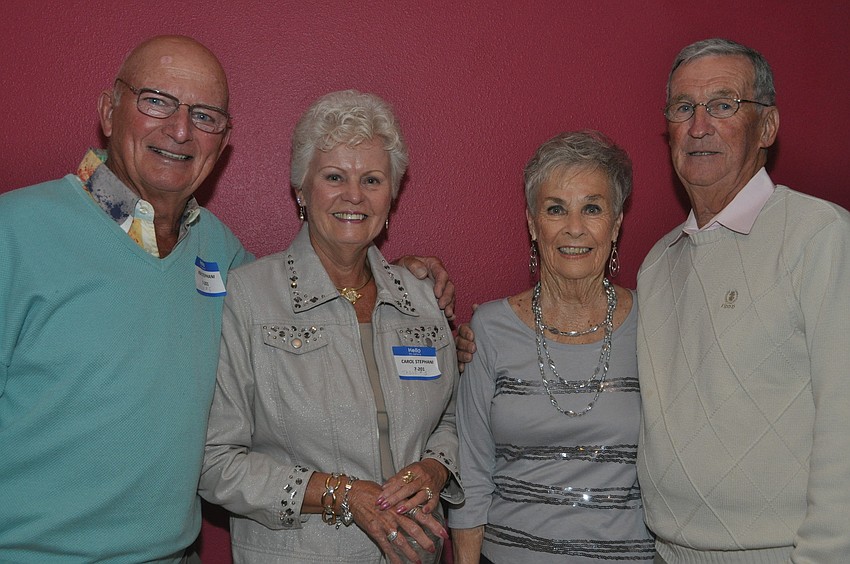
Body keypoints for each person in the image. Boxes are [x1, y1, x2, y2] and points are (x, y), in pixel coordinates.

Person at [0, 38, 454, 562]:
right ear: (108, 110)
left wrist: (413, 284)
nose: (179, 129)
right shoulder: (16, 234)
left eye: (205, 115)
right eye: (156, 101)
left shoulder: (220, 257)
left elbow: (318, 298)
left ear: (223, 140)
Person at [198, 90, 463, 564]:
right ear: (301, 189)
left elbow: (453, 416)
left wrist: (435, 469)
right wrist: (340, 493)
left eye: (373, 179)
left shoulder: (423, 298)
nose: (354, 196)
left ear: (392, 194)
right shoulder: (247, 299)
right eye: (334, 176)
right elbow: (215, 463)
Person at [637, 39, 850, 562]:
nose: (699, 125)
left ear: (768, 128)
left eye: (724, 104)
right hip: (664, 552)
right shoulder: (657, 265)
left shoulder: (819, 235)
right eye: (683, 107)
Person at [449, 131, 654, 563]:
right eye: (556, 208)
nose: (574, 227)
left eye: (592, 208)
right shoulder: (489, 329)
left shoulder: (655, 323)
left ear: (616, 224)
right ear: (532, 222)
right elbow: (472, 469)